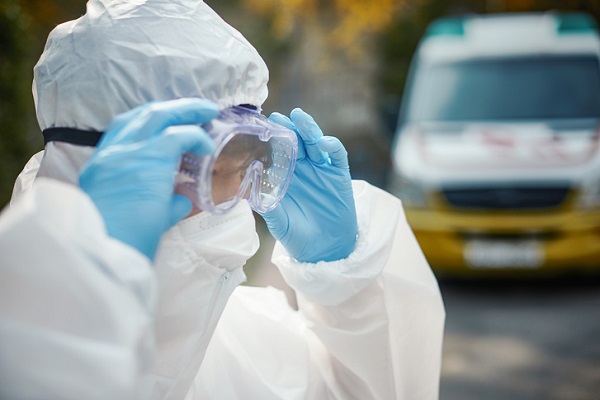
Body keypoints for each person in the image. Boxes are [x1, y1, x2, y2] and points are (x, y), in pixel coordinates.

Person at [0, 1, 446, 399]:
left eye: (251, 159)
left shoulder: (252, 341)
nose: (237, 197)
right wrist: (83, 275)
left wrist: (349, 286)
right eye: (216, 166)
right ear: (102, 163)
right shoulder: (19, 336)